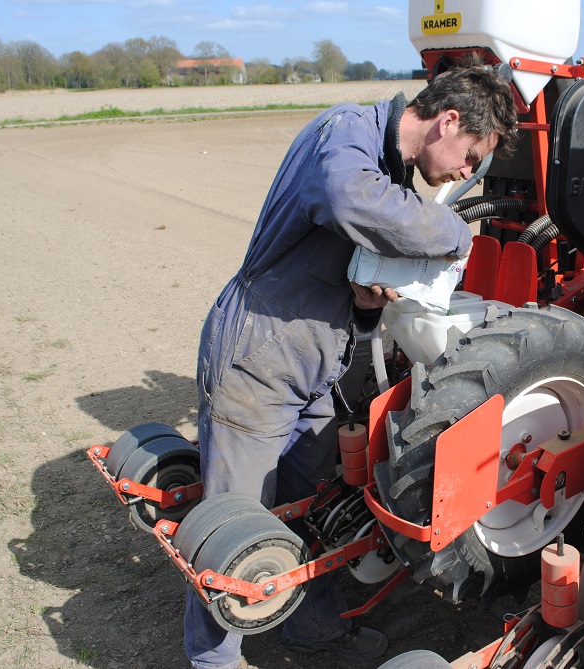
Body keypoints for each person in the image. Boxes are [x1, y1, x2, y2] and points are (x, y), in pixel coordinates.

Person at [184, 63, 519, 669]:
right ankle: (215, 660)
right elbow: (346, 198)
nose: (466, 173)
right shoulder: (347, 135)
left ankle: (308, 623)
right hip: (259, 354)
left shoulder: (387, 168)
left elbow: (352, 271)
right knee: (233, 529)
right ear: (448, 121)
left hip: (313, 363)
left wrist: (366, 308)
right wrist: (451, 230)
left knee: (312, 508)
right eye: (471, 157)